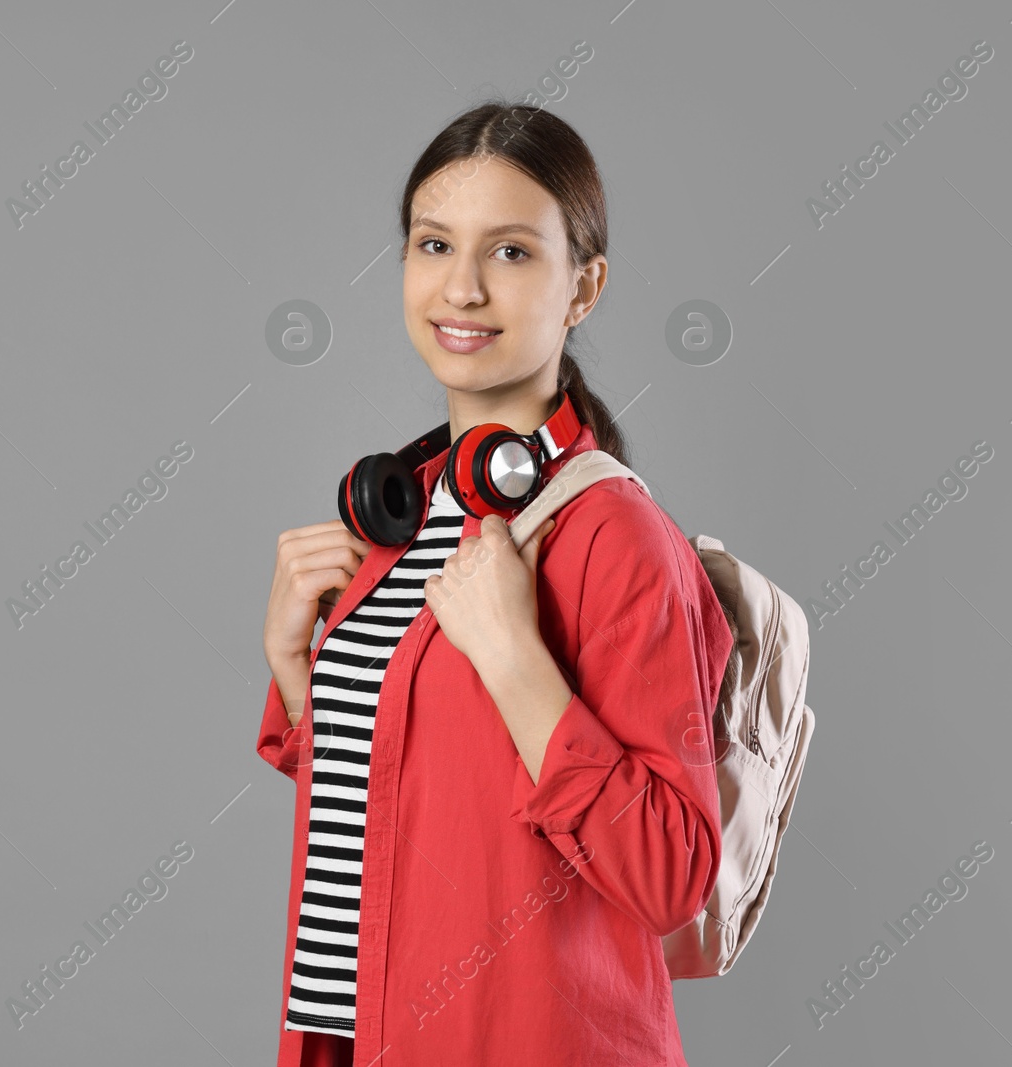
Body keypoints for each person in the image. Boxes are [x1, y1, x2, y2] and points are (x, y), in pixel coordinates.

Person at [257, 101, 735, 1066]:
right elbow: (401, 802)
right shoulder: (399, 515)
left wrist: (518, 658)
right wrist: (290, 661)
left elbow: (672, 875)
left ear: (583, 287)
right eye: (434, 244)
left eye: (512, 253)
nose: (462, 287)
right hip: (361, 1036)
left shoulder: (614, 537)